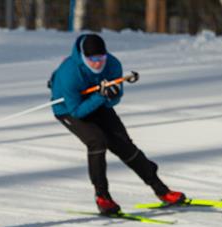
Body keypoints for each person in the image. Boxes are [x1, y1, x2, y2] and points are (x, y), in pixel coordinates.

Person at [49, 33, 184, 215]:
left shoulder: (113, 64)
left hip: (96, 103)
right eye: (92, 59)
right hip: (68, 108)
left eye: (101, 57)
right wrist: (100, 97)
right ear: (83, 57)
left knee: (124, 145)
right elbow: (77, 112)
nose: (98, 63)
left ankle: (161, 190)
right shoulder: (70, 73)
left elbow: (113, 100)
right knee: (97, 141)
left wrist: (110, 97)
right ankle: (102, 196)